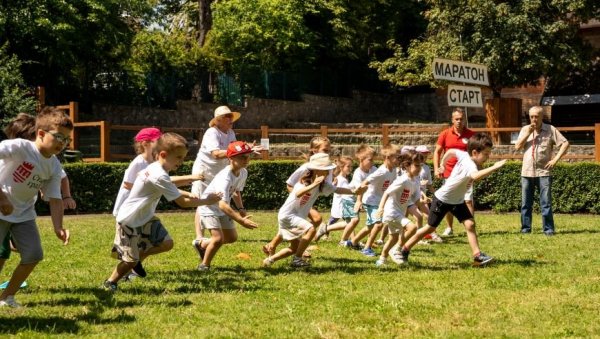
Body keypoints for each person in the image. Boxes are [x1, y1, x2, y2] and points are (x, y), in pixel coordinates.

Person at [102, 133, 221, 292]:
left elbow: (168, 181)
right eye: (179, 157)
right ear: (163, 155)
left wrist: (189, 182)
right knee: (129, 261)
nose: (181, 161)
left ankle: (139, 258)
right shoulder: (158, 174)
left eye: (183, 157)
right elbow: (183, 203)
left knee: (166, 243)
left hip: (145, 218)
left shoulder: (154, 168)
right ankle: (111, 282)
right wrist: (208, 200)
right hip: (129, 220)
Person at [396, 133, 507, 267]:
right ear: (475, 152)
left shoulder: (463, 154)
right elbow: (476, 176)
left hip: (457, 201)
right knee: (429, 228)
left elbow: (451, 151)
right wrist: (495, 167)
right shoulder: (470, 164)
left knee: (470, 224)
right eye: (486, 154)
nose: (488, 157)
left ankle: (477, 256)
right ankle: (404, 249)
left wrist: (442, 163)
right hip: (443, 199)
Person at [0, 107, 72, 307]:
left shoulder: (54, 165)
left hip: (23, 213)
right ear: (41, 133)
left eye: (66, 140)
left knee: (33, 255)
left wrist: (58, 227)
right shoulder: (19, 147)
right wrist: (2, 199)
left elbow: (55, 198)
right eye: (59, 137)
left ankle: (6, 297)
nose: (63, 143)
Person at [262, 153, 365, 268]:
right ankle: (297, 260)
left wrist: (355, 192)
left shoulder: (322, 184)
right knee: (311, 229)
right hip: (288, 215)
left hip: (295, 216)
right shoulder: (304, 181)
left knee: (294, 248)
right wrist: (314, 184)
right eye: (325, 170)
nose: (327, 173)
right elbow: (298, 193)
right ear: (316, 170)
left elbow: (337, 189)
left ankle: (270, 260)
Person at [262, 136, 332, 257]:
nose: (328, 153)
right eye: (325, 150)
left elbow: (325, 186)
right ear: (314, 150)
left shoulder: (326, 166)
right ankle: (298, 248)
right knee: (316, 220)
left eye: (329, 150)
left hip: (307, 199)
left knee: (313, 221)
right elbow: (289, 184)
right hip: (299, 201)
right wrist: (300, 200)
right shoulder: (306, 168)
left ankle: (274, 245)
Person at [195, 141, 259, 271]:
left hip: (222, 208)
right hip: (209, 207)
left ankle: (202, 244)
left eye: (247, 156)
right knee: (218, 239)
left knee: (231, 238)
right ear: (230, 158)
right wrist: (241, 221)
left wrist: (241, 209)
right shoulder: (225, 177)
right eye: (241, 156)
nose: (246, 159)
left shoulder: (243, 172)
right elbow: (222, 204)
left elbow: (235, 191)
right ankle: (204, 265)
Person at [191, 106, 243, 251]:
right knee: (201, 201)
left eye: (231, 116)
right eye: (227, 116)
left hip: (218, 172)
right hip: (204, 171)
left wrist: (245, 150)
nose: (230, 119)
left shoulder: (231, 132)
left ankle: (207, 238)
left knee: (215, 200)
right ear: (218, 120)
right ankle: (199, 237)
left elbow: (234, 151)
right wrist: (236, 151)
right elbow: (216, 154)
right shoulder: (211, 132)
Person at [515, 106, 569, 235]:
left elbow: (565, 143)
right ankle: (525, 229)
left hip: (544, 172)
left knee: (545, 203)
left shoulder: (550, 129)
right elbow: (517, 147)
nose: (534, 119)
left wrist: (555, 159)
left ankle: (549, 230)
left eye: (536, 116)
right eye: (532, 116)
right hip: (527, 172)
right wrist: (528, 133)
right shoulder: (524, 129)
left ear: (542, 116)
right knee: (525, 204)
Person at [345, 144, 400, 257]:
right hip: (371, 201)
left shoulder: (393, 170)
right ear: (388, 157)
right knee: (378, 224)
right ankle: (367, 248)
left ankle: (353, 242)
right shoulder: (380, 171)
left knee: (370, 226)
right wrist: (359, 198)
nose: (398, 160)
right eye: (396, 157)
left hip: (379, 201)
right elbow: (365, 182)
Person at [374, 150, 423, 266]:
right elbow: (386, 192)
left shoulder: (415, 181)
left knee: (393, 238)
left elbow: (416, 200)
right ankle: (397, 249)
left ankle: (382, 259)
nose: (419, 168)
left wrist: (425, 201)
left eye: (421, 165)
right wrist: (380, 208)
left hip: (399, 212)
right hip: (392, 212)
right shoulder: (402, 179)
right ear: (406, 165)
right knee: (412, 228)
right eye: (416, 165)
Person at [433, 108, 475, 236]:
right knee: (448, 202)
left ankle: (471, 227)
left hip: (466, 174)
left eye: (461, 119)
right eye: (456, 119)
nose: (459, 121)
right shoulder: (445, 134)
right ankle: (450, 227)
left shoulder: (471, 134)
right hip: (449, 173)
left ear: (465, 119)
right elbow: (437, 152)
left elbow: (476, 152)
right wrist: (436, 168)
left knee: (468, 200)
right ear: (452, 120)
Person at [339, 144, 377, 247]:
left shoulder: (373, 169)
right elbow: (360, 188)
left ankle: (354, 241)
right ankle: (343, 241)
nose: (373, 162)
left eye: (373, 160)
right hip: (350, 198)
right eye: (370, 160)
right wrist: (359, 201)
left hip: (358, 198)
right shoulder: (358, 173)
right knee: (354, 220)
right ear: (361, 159)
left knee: (355, 221)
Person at [315, 156, 354, 241]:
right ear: (341, 167)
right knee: (350, 222)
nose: (350, 169)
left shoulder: (342, 179)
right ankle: (352, 240)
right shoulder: (341, 179)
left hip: (340, 204)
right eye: (348, 166)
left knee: (336, 221)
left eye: (351, 166)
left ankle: (324, 233)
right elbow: (339, 190)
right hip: (341, 204)